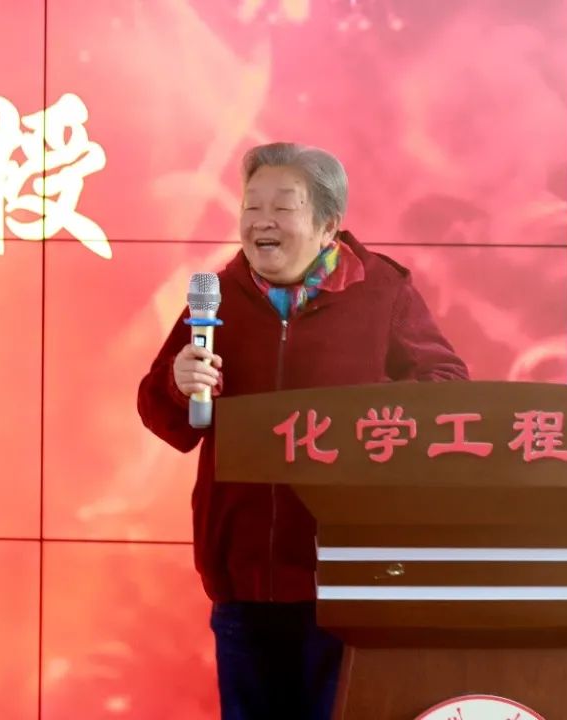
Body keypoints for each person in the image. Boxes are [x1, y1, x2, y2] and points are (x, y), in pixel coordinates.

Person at [137, 142, 469, 719]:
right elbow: (163, 416)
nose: (260, 222)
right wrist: (177, 381)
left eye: (282, 207)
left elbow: (446, 386)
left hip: (345, 577)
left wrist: (365, 412)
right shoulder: (216, 300)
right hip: (243, 577)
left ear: (328, 225)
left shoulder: (382, 291)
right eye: (251, 206)